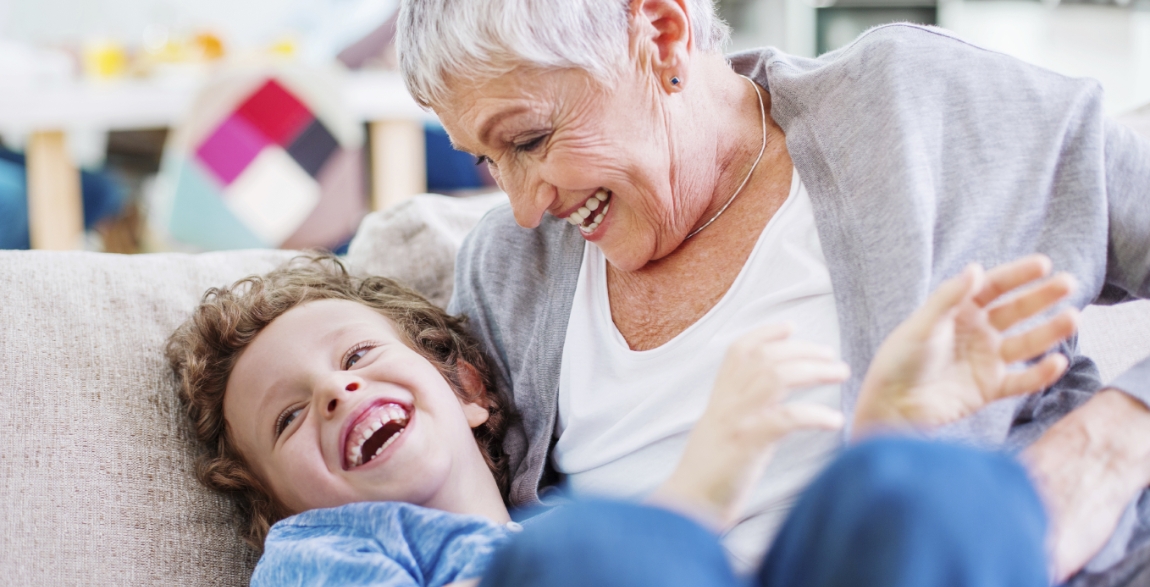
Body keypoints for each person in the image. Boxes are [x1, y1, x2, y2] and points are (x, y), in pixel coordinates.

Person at [395, 0, 1150, 582]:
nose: (525, 207)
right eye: (489, 164)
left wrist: (1108, 445)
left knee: (915, 495)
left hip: (937, 556)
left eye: (528, 139)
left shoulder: (915, 107)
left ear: (660, 32)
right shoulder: (506, 269)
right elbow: (465, 519)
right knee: (576, 552)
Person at [166, 253, 1072, 586]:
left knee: (927, 489)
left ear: (470, 386)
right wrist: (698, 494)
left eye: (358, 356)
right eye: (288, 417)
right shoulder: (322, 555)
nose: (334, 393)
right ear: (285, 508)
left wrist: (883, 432)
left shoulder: (571, 503)